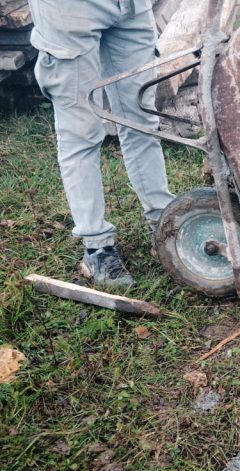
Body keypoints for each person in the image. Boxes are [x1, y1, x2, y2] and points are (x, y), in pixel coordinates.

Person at [29, 0, 175, 287]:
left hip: (131, 6)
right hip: (69, 11)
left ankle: (164, 226)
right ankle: (97, 246)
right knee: (80, 130)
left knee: (141, 120)